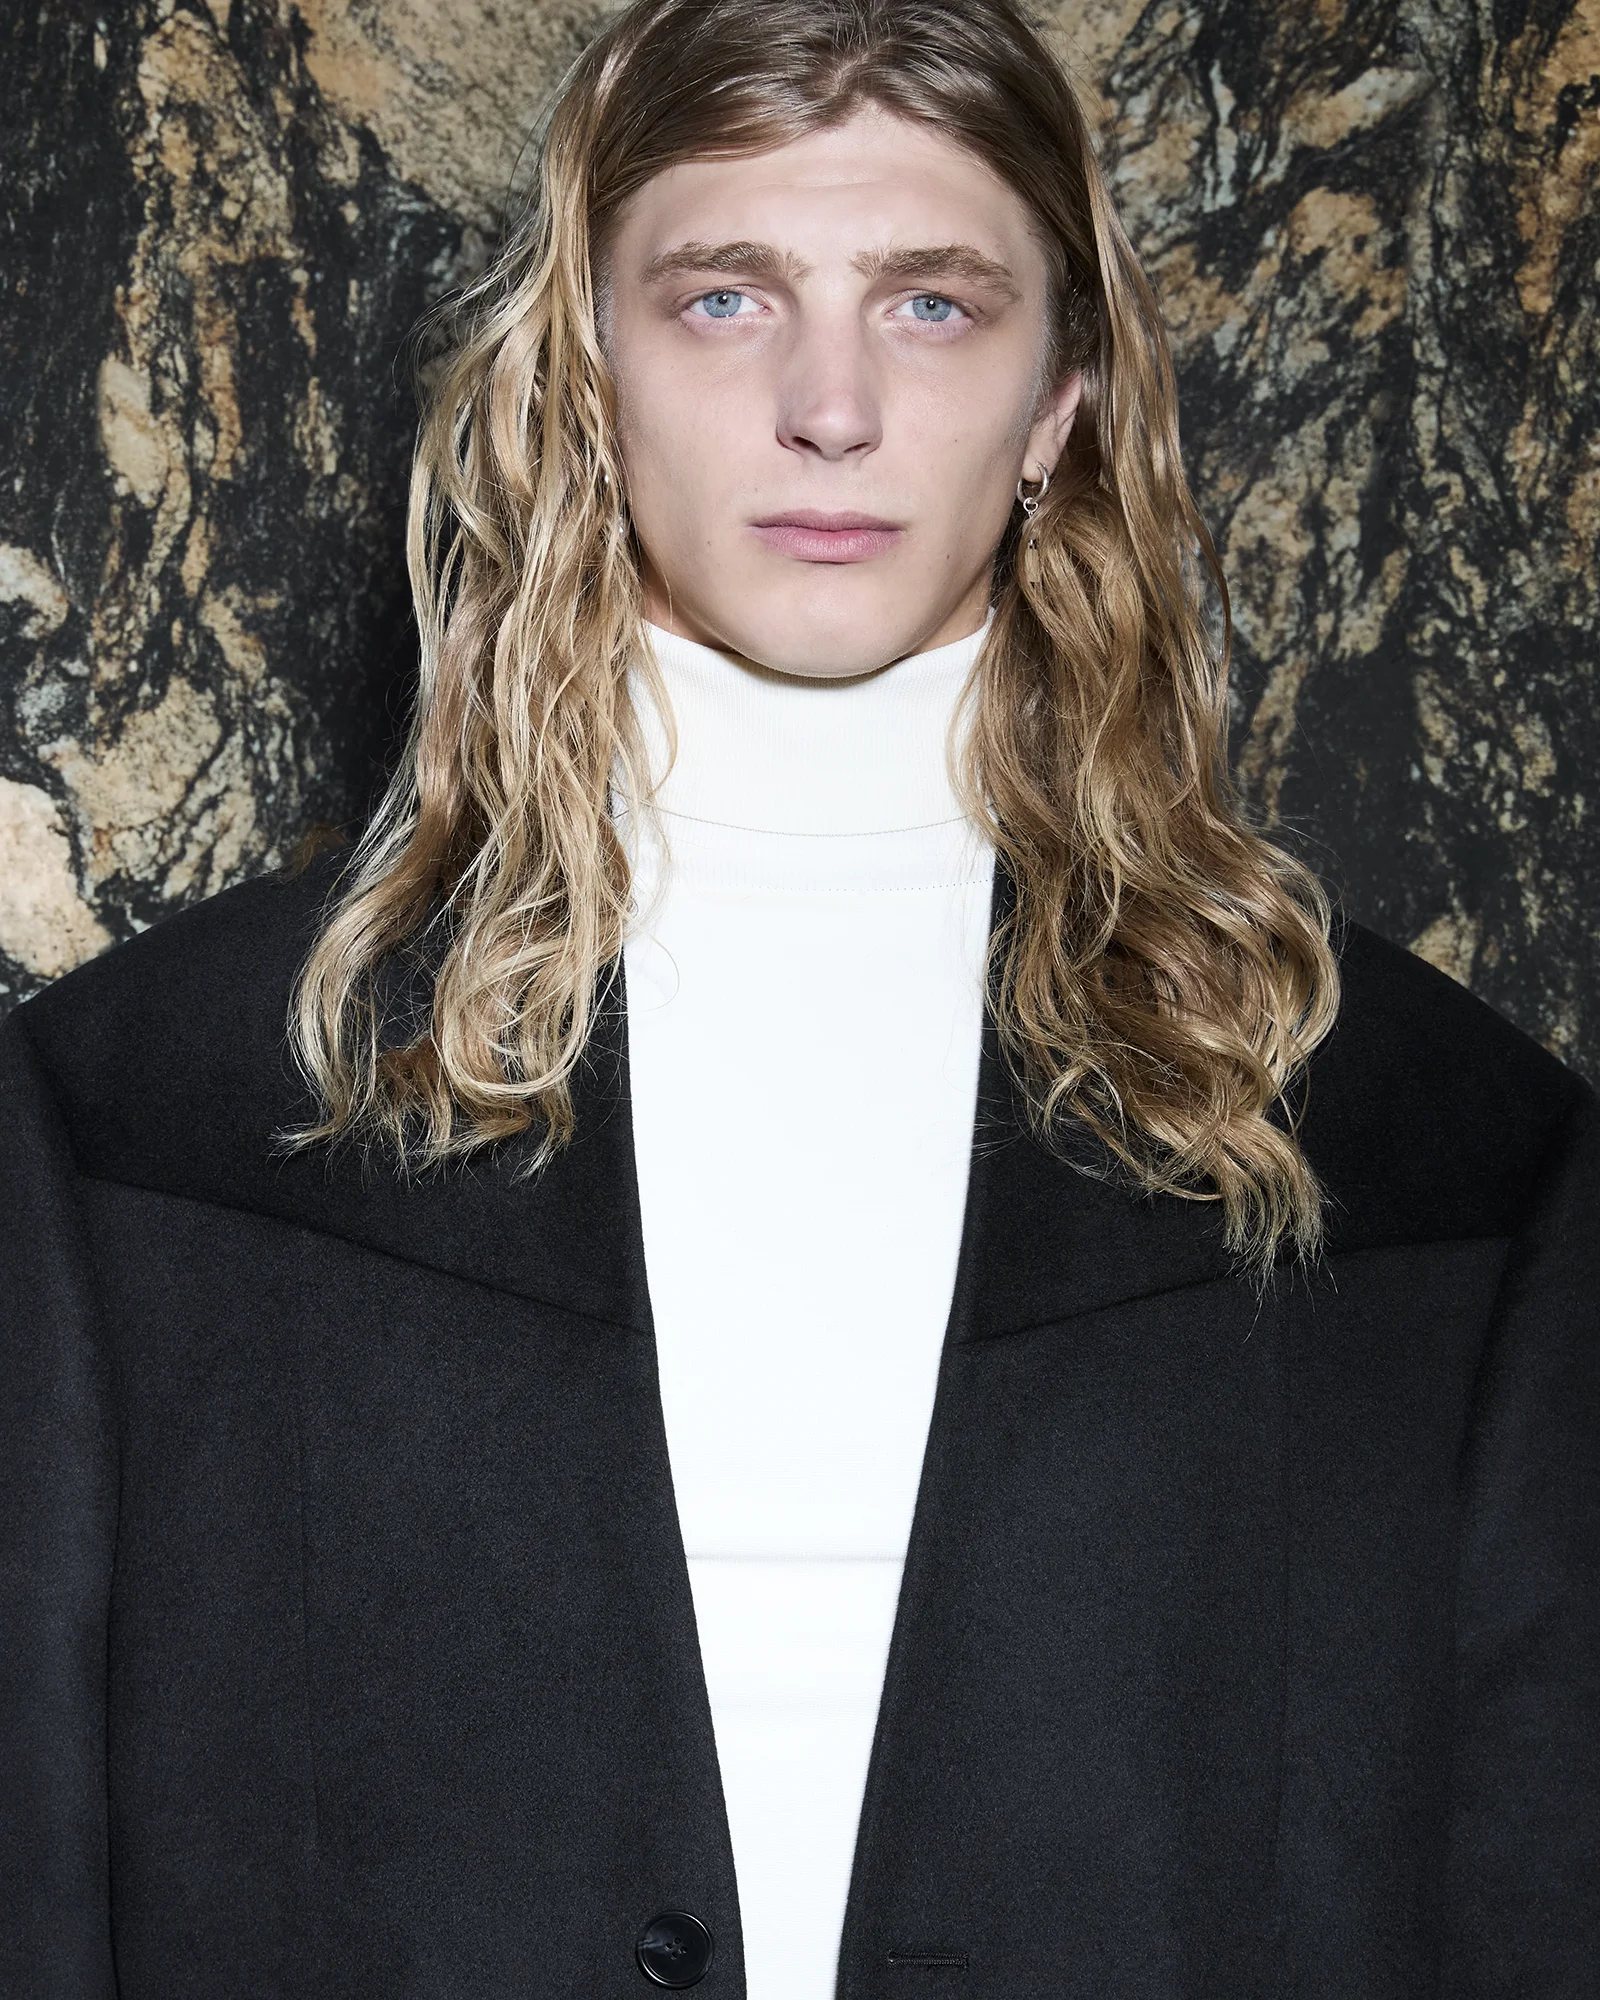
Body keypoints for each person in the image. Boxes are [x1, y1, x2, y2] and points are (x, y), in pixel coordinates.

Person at [2, 0, 1595, 1993]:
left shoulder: (1441, 1156)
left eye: (930, 306)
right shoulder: (147, 1123)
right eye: (724, 298)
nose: (829, 407)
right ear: (584, 377)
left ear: (1059, 401)